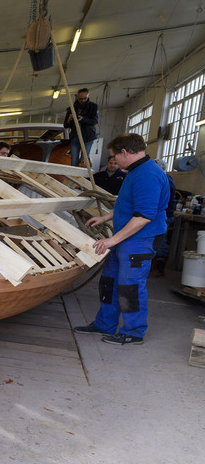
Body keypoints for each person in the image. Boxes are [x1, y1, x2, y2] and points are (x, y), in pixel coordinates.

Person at [73, 134, 170, 345]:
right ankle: (105, 323)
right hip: (125, 238)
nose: (114, 160)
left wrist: (112, 240)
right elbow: (127, 203)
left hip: (140, 239)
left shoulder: (148, 175)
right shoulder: (135, 171)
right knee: (109, 281)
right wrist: (107, 217)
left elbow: (144, 215)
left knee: (130, 286)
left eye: (114, 156)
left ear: (125, 152)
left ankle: (134, 332)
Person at [63, 88, 99, 166]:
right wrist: (69, 119)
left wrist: (83, 119)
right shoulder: (71, 108)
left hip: (88, 136)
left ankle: (82, 176)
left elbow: (95, 121)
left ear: (88, 96)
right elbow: (65, 125)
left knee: (84, 160)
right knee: (74, 160)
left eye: (85, 98)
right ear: (77, 97)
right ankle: (74, 176)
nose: (83, 100)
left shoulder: (93, 107)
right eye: (80, 99)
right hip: (75, 136)